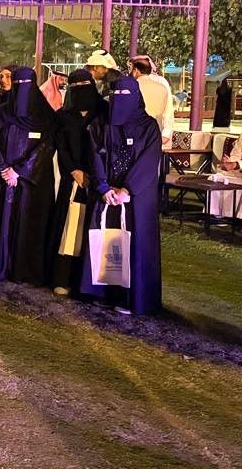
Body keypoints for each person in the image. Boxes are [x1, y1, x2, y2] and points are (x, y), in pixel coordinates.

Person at [80, 77, 163, 315]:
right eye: (114, 95)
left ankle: (132, 297)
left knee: (134, 244)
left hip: (136, 199)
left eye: (124, 95)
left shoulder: (148, 127)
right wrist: (103, 187)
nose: (118, 100)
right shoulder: (101, 124)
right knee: (106, 241)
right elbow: (94, 155)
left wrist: (127, 190)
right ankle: (105, 292)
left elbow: (148, 161)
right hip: (107, 195)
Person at [0, 66, 56, 283]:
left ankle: (26, 271)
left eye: (26, 84)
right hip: (5, 179)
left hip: (33, 181)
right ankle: (3, 267)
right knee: (4, 224)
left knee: (29, 223)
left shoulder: (45, 115)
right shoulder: (1, 112)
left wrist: (20, 170)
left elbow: (47, 146)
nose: (21, 89)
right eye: (17, 84)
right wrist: (3, 168)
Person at [47, 69, 104, 296]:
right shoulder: (63, 116)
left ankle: (90, 283)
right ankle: (63, 277)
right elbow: (61, 146)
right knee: (69, 230)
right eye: (76, 87)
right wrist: (74, 170)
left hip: (98, 181)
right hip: (72, 181)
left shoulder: (104, 112)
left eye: (85, 85)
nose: (81, 91)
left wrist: (96, 174)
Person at [129, 55, 174, 145]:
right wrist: (166, 134)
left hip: (134, 134)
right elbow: (168, 110)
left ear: (136, 70)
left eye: (130, 68)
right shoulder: (162, 86)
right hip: (155, 134)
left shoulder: (131, 86)